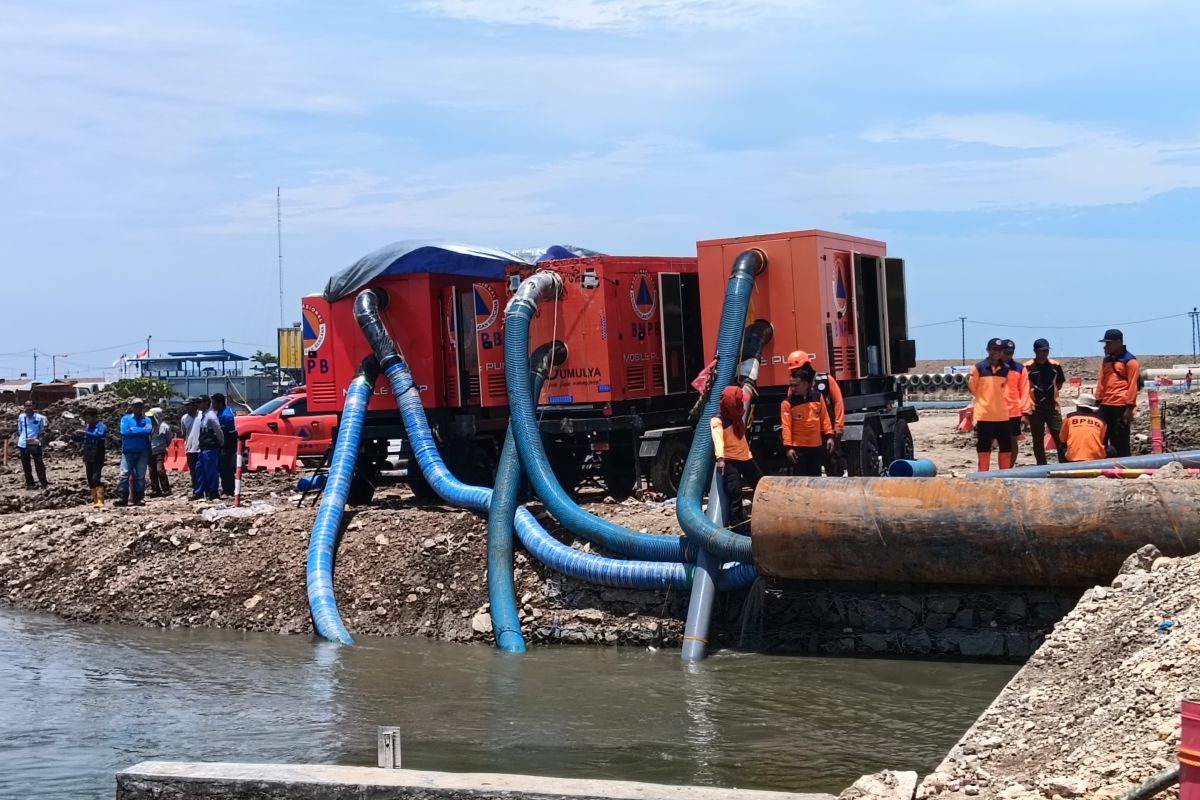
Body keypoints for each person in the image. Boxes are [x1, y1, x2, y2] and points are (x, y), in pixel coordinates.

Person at [711, 385, 762, 533]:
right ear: (732, 404)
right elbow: (718, 439)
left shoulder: (736, 417)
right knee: (735, 493)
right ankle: (738, 527)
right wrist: (720, 459)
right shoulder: (718, 421)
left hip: (745, 457)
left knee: (761, 485)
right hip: (730, 460)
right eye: (739, 402)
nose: (742, 404)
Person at [788, 350, 846, 475]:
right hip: (807, 438)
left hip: (827, 433)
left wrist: (838, 425)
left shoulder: (825, 380)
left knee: (833, 466)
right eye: (793, 371)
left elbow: (838, 402)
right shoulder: (794, 387)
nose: (795, 373)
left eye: (797, 369)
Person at [780, 361, 835, 476]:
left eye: (796, 385)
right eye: (791, 385)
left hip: (816, 447)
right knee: (801, 482)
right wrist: (788, 448)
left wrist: (829, 436)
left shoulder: (817, 397)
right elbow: (786, 427)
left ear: (805, 384)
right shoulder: (787, 403)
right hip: (799, 450)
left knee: (816, 480)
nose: (793, 389)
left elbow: (824, 418)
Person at [968, 338, 1014, 471]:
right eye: (993, 349)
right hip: (984, 415)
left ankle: (1005, 474)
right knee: (983, 447)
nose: (996, 352)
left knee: (1006, 447)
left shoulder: (1006, 369)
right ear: (988, 350)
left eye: (999, 350)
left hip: (1003, 415)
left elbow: (1005, 389)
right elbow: (973, 387)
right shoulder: (979, 368)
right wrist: (985, 400)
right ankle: (983, 475)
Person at [1096, 328, 1140, 457]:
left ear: (1119, 342)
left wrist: (1129, 407)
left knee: (1120, 440)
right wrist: (1098, 401)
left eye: (1109, 343)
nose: (1106, 346)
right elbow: (1102, 381)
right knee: (1101, 438)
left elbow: (1133, 385)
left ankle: (1123, 467)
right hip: (1105, 405)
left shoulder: (1130, 361)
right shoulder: (1107, 360)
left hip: (1120, 406)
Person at [1024, 338, 1067, 465]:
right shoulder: (1027, 367)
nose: (1044, 353)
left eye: (1046, 350)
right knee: (1037, 439)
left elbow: (1059, 383)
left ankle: (1064, 464)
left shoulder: (1055, 365)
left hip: (1052, 407)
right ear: (1035, 351)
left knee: (1060, 437)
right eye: (1041, 351)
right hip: (1035, 407)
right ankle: (1041, 465)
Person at [114, 398, 154, 507]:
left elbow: (148, 431)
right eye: (135, 406)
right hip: (128, 451)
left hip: (142, 451)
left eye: (140, 406)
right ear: (132, 407)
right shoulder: (126, 419)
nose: (138, 408)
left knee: (140, 476)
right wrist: (139, 430)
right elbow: (124, 432)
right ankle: (123, 497)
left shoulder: (147, 419)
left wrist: (133, 429)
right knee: (124, 475)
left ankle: (139, 498)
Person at [1002, 339, 1031, 466]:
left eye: (1011, 352)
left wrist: (1025, 413)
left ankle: (1008, 467)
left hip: (1013, 411)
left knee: (1012, 441)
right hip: (994, 412)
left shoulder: (1020, 368)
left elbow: (1025, 390)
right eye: (1006, 352)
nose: (1009, 355)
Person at [1060, 393, 1108, 463]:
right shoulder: (1101, 421)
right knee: (1111, 450)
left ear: (1078, 406)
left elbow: (1062, 439)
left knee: (1062, 446)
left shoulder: (1069, 417)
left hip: (1073, 457)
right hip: (1096, 458)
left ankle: (1063, 468)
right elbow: (1102, 441)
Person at [193, 395, 224, 501]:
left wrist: (221, 442)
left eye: (200, 402)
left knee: (211, 470)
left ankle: (213, 492)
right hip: (203, 447)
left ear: (206, 403)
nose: (198, 405)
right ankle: (199, 492)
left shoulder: (211, 416)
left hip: (210, 447)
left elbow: (218, 431)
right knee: (199, 469)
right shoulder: (203, 415)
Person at [74, 408, 107, 507]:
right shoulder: (87, 427)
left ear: (95, 417)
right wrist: (76, 436)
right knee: (90, 479)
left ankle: (100, 501)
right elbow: (84, 439)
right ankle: (95, 500)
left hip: (98, 453)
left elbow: (100, 435)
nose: (87, 420)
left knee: (96, 477)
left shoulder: (101, 426)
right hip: (88, 454)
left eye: (88, 418)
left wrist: (85, 433)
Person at [16, 400, 49, 490]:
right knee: (26, 465)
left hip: (35, 443)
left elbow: (41, 430)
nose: (28, 408)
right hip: (23, 443)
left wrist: (39, 440)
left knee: (39, 464)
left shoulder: (39, 417)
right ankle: (30, 484)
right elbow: (19, 430)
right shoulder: (22, 417)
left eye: (30, 405)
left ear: (33, 406)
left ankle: (43, 483)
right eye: (27, 406)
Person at [212, 393, 238, 496]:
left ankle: (229, 490)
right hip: (221, 445)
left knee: (227, 469)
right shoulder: (219, 413)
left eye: (213, 403)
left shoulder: (226, 415)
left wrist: (228, 447)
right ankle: (225, 488)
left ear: (219, 403)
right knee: (222, 468)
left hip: (227, 447)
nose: (212, 405)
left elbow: (232, 433)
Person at [147, 407, 173, 496]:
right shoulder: (148, 426)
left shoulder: (164, 427)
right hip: (150, 451)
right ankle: (155, 490)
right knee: (152, 471)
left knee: (160, 470)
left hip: (160, 451)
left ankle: (166, 489)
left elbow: (169, 439)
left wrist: (164, 448)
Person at [180, 397, 201, 495]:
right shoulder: (184, 418)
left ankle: (205, 490)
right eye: (185, 405)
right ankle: (196, 490)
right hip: (190, 449)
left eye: (188, 405)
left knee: (202, 471)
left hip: (201, 448)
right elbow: (184, 433)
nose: (186, 407)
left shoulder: (201, 415)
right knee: (193, 472)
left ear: (195, 405)